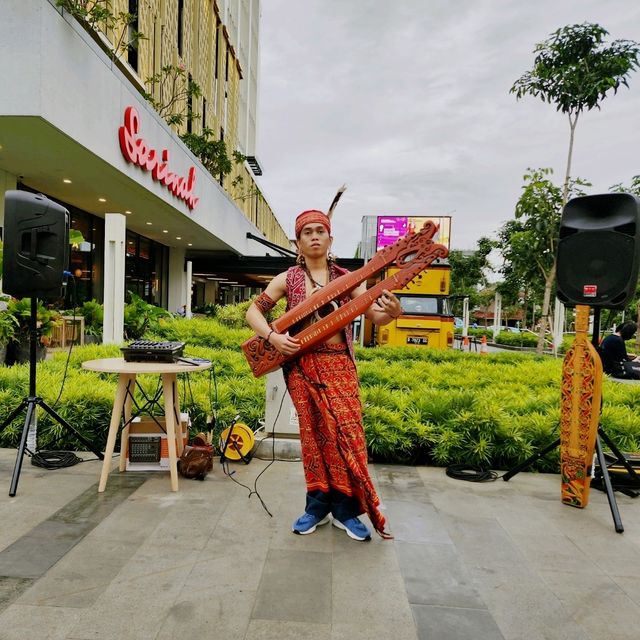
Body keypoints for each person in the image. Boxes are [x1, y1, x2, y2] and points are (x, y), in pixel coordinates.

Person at [245, 209, 401, 541]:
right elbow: (253, 311)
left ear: (330, 239)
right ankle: (316, 506)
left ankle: (347, 510)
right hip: (302, 368)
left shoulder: (348, 279)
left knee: (347, 437)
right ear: (298, 242)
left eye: (321, 231)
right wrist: (273, 337)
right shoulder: (287, 279)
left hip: (340, 366)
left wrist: (392, 312)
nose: (315, 236)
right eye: (307, 232)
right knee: (314, 439)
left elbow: (374, 314)